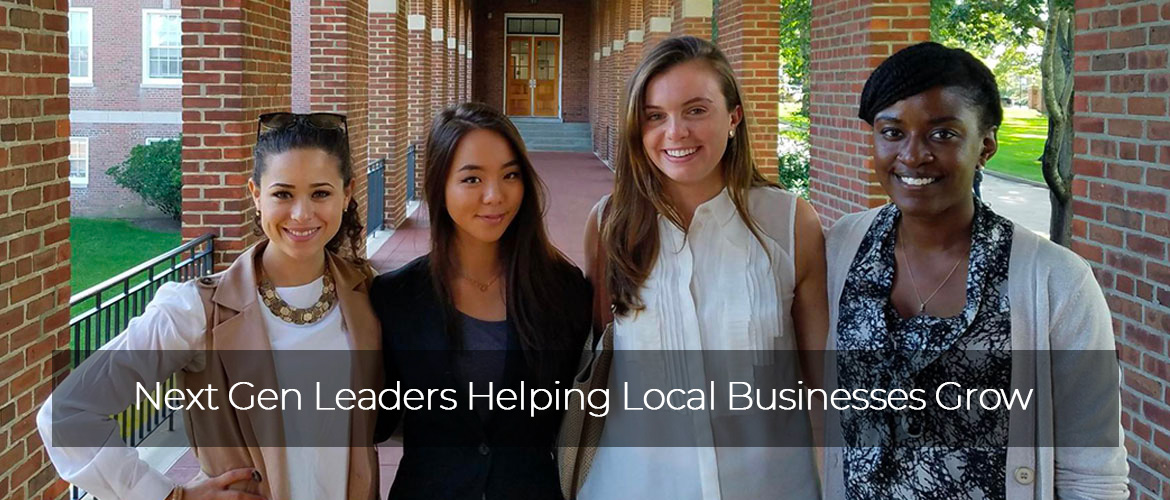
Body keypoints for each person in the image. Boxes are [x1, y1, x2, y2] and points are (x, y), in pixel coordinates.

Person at [822, 42, 1128, 499]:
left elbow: (1094, 473)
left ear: (986, 145)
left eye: (942, 134)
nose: (912, 155)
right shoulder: (839, 250)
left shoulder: (1055, 281)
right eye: (891, 132)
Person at [37, 112, 383, 500]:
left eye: (320, 193)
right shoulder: (194, 311)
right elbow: (65, 416)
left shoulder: (370, 296)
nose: (302, 214)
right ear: (256, 194)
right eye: (283, 194)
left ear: (347, 192)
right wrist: (167, 495)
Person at [577, 36, 828, 500]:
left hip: (770, 487)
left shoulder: (791, 223)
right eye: (655, 116)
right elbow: (599, 356)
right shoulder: (609, 224)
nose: (675, 133)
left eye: (696, 110)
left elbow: (825, 384)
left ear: (733, 117)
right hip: (632, 486)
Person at [370, 102, 592, 500]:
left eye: (510, 175)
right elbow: (373, 421)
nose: (495, 196)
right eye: (472, 179)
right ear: (439, 185)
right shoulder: (395, 298)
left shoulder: (563, 290)